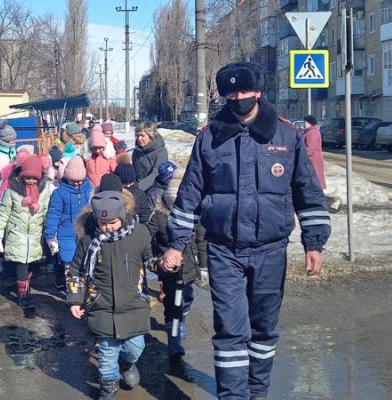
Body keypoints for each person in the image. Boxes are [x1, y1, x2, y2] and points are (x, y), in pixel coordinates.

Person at [162, 61, 331, 400]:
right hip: (224, 250)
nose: (237, 98)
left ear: (258, 92)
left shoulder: (287, 136)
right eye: (230, 93)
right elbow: (190, 193)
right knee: (230, 331)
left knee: (264, 329)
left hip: (271, 250)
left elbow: (307, 191)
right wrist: (177, 244)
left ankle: (257, 393)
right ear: (223, 95)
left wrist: (313, 243)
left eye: (243, 91)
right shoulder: (209, 139)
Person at [66, 179, 156, 400]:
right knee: (107, 357)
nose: (107, 228)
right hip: (101, 306)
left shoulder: (139, 235)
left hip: (133, 305)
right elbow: (76, 270)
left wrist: (165, 265)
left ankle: (127, 364)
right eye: (102, 224)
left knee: (135, 347)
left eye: (113, 223)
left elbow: (149, 261)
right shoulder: (89, 242)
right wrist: (75, 299)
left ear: (122, 217)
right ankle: (108, 393)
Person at [144, 169, 200, 362]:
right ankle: (174, 340)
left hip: (189, 267)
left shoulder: (194, 215)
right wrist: (156, 259)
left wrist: (205, 266)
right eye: (172, 200)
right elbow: (145, 239)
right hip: (168, 269)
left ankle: (182, 316)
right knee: (170, 303)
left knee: (187, 297)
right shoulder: (159, 217)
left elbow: (201, 240)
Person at [0, 155, 54, 311]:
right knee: (22, 266)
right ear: (22, 174)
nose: (31, 181)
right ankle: (23, 297)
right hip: (17, 235)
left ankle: (24, 288)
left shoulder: (44, 192)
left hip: (34, 236)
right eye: (28, 177)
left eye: (35, 178)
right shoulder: (12, 191)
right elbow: (3, 214)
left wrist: (51, 235)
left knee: (30, 265)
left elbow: (46, 213)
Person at [45, 156, 92, 290]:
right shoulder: (59, 194)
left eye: (80, 181)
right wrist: (50, 236)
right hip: (66, 234)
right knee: (69, 263)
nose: (77, 184)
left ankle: (83, 289)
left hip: (84, 233)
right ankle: (73, 293)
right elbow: (53, 215)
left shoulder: (89, 190)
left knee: (85, 262)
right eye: (74, 181)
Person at [132, 121, 168, 191]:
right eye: (137, 135)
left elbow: (156, 174)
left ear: (151, 136)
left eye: (142, 135)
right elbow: (134, 172)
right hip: (138, 189)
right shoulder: (136, 152)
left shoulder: (160, 151)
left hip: (155, 190)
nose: (139, 139)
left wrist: (138, 189)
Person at [302, 115, 326, 190]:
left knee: (314, 178)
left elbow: (310, 148)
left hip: (313, 160)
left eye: (305, 122)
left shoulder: (312, 132)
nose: (304, 124)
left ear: (309, 122)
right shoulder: (311, 131)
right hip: (314, 159)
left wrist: (303, 156)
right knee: (315, 178)